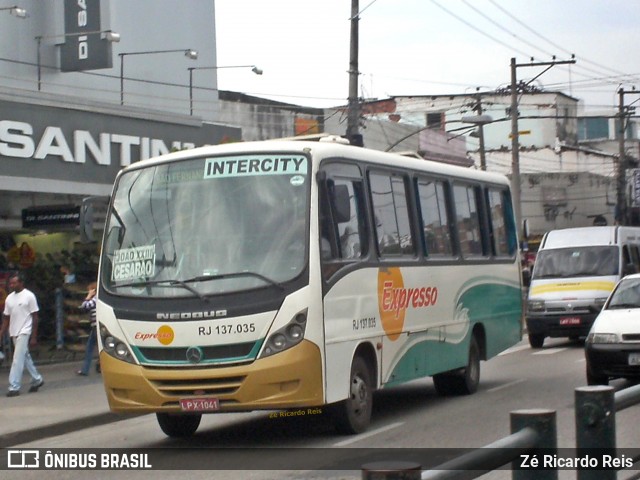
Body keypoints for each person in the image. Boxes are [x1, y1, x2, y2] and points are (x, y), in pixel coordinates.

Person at [0, 272, 44, 397]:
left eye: (14, 283)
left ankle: (14, 386)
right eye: (10, 283)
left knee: (17, 359)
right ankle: (37, 379)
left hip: (25, 330)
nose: (11, 285)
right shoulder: (9, 298)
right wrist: (1, 332)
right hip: (14, 331)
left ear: (21, 283)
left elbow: (35, 317)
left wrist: (34, 337)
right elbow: (6, 318)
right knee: (25, 357)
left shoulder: (29, 296)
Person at [76, 282, 99, 376]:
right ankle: (98, 366)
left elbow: (84, 306)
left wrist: (88, 296)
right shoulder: (99, 298)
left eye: (89, 290)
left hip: (96, 327)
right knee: (99, 348)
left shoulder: (95, 298)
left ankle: (85, 370)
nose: (88, 292)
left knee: (89, 348)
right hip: (97, 326)